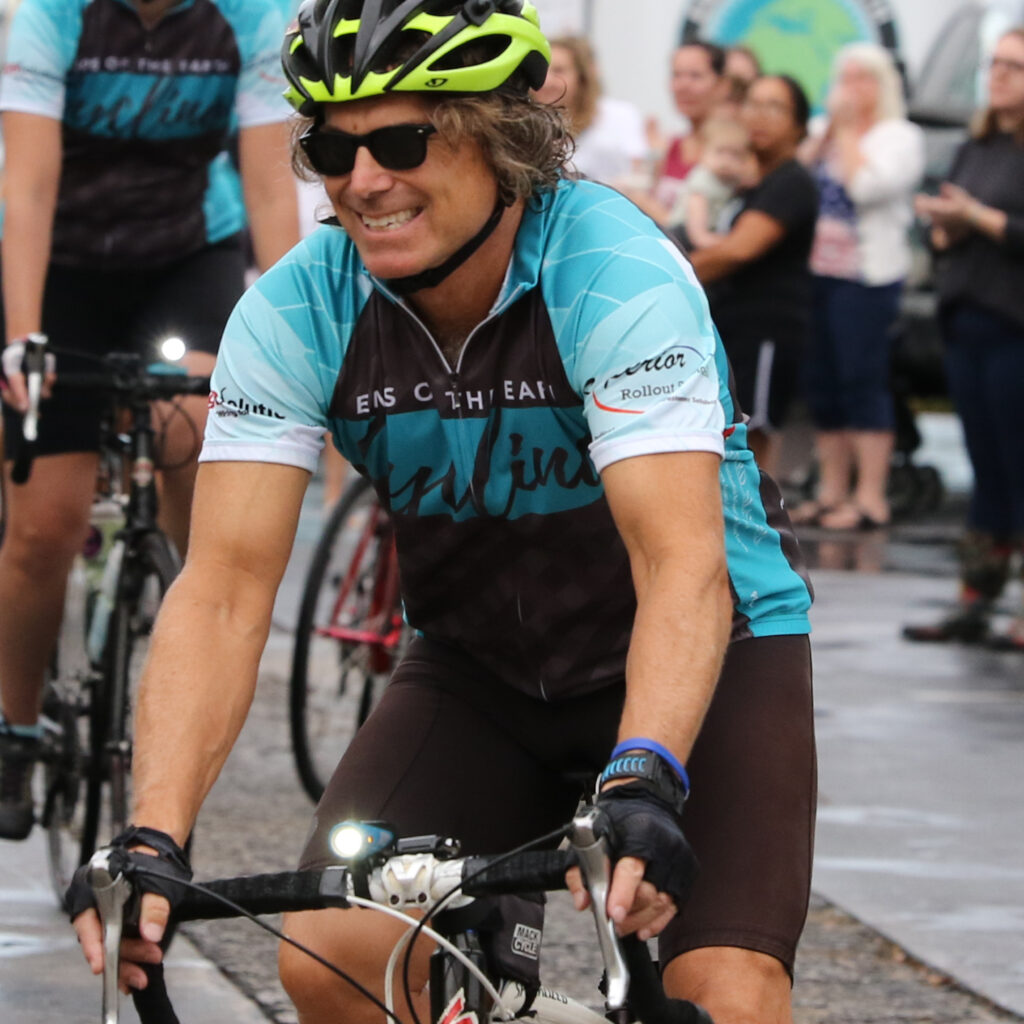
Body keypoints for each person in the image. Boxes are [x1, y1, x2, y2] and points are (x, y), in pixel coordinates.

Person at [69, 4, 816, 1024]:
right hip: (477, 671)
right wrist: (152, 837)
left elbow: (679, 561)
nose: (361, 180)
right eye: (332, 147)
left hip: (712, 650)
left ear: (496, 135)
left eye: (401, 140)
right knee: (332, 958)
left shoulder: (610, 269)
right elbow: (225, 588)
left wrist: (642, 775)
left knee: (722, 992)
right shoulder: (299, 307)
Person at [0, 0, 300, 841]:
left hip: (184, 254)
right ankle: (15, 726)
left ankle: (189, 598)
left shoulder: (248, 18)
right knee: (45, 529)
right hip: (62, 265)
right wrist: (23, 335)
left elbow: (270, 186)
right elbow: (23, 185)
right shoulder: (55, 17)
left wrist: (293, 330)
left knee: (192, 427)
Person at [904, 27, 1024, 651]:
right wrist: (947, 229)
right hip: (968, 315)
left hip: (1014, 323)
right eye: (996, 64)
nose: (999, 75)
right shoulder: (979, 144)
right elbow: (957, 213)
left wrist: (976, 217)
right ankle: (976, 597)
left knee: (1017, 464)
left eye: (1014, 66)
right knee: (986, 467)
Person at [791, 43, 925, 531]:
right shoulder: (829, 134)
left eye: (860, 78)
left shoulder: (899, 137)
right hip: (819, 271)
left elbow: (864, 188)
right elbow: (798, 178)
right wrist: (829, 131)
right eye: (843, 77)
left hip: (866, 278)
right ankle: (832, 491)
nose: (849, 87)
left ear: (880, 84)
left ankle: (870, 496)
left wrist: (847, 133)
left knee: (861, 378)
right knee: (822, 382)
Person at [689, 75, 820, 475]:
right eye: (753, 104)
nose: (759, 116)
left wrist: (671, 270)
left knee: (753, 433)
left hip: (766, 332)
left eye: (775, 107)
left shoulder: (791, 182)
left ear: (799, 126)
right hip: (735, 327)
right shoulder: (752, 184)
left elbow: (738, 249)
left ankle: (760, 531)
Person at [627, 41, 730, 224]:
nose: (683, 85)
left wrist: (641, 201)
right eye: (677, 75)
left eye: (695, 76)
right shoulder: (667, 145)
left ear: (722, 85)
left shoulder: (734, 152)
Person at [531, 35, 648, 187]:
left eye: (559, 71)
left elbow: (638, 177)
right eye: (541, 70)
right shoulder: (524, 127)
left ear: (582, 77)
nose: (547, 81)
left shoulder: (620, 115)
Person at [668, 113, 753, 250]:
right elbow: (698, 234)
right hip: (683, 234)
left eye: (735, 155)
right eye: (720, 152)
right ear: (702, 152)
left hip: (708, 231)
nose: (727, 161)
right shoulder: (703, 180)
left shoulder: (732, 180)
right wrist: (727, 243)